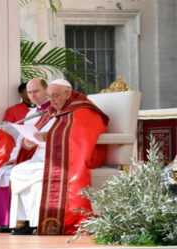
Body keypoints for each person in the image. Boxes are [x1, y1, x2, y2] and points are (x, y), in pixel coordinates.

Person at [9, 79, 109, 235]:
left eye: (55, 96)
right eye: (50, 96)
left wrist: (49, 137)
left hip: (73, 159)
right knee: (19, 170)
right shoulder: (54, 110)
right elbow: (41, 135)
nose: (52, 100)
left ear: (68, 93)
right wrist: (29, 144)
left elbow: (80, 137)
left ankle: (39, 222)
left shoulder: (83, 110)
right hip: (48, 157)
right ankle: (24, 222)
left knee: (37, 175)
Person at [0, 78, 50, 233]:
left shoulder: (55, 111)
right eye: (29, 92)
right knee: (16, 171)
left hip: (50, 156)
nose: (32, 95)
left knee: (31, 175)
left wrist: (44, 140)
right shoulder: (32, 113)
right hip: (35, 155)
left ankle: (35, 222)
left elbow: (63, 135)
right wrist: (25, 146)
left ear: (46, 90)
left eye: (36, 91)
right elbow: (23, 138)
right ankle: (20, 221)